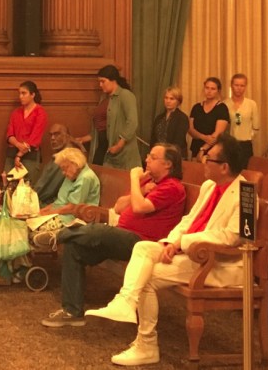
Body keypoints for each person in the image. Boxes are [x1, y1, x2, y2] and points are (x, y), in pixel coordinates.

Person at [85, 134, 247, 366]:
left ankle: (146, 345)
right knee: (142, 248)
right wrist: (169, 242)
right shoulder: (210, 186)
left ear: (224, 167)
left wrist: (183, 243)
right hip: (191, 251)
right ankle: (125, 301)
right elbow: (190, 219)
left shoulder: (244, 194)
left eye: (208, 158)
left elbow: (230, 237)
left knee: (147, 277)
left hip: (215, 262)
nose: (203, 161)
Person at [40, 143, 186, 327]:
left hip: (143, 243)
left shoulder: (172, 187)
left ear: (168, 164)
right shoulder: (148, 183)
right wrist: (140, 190)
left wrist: (134, 178)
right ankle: (72, 312)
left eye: (153, 157)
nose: (146, 160)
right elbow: (119, 206)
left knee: (99, 230)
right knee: (74, 247)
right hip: (122, 237)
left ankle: (57, 236)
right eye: (148, 155)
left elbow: (139, 207)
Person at [0, 147, 100, 286]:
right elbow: (59, 202)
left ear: (74, 163)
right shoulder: (73, 174)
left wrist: (45, 214)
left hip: (71, 220)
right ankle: (15, 269)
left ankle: (16, 270)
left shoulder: (85, 178)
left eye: (64, 168)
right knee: (18, 223)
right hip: (61, 214)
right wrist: (39, 212)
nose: (63, 172)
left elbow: (72, 208)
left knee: (21, 228)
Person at [76, 65, 140, 169]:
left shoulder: (125, 95)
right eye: (99, 82)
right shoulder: (104, 98)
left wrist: (119, 145)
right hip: (102, 146)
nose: (100, 85)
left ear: (113, 80)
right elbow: (102, 126)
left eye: (103, 81)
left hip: (119, 150)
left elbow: (132, 122)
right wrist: (83, 139)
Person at [5, 81, 47, 183]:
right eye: (19, 93)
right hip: (12, 153)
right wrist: (18, 145)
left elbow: (35, 138)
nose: (20, 96)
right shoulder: (16, 113)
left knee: (28, 188)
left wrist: (19, 155)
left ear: (32, 95)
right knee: (8, 185)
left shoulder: (40, 112)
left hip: (30, 155)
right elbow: (10, 134)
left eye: (24, 93)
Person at [34, 123, 84, 206]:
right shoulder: (60, 154)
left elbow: (49, 190)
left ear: (67, 136)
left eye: (57, 134)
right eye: (51, 135)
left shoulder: (66, 157)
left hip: (52, 203)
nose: (52, 138)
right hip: (48, 200)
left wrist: (30, 196)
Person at [223, 74, 259, 169]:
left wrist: (248, 136)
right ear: (231, 86)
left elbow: (256, 126)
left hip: (245, 144)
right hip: (229, 143)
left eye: (242, 85)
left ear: (245, 87)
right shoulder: (224, 104)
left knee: (245, 171)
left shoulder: (251, 104)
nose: (239, 88)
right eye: (236, 85)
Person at [188, 77, 229, 159]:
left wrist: (203, 149)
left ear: (218, 91)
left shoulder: (222, 108)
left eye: (213, 89)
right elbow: (190, 129)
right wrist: (203, 137)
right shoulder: (196, 107)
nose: (209, 91)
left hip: (213, 150)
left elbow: (217, 134)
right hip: (196, 147)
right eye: (207, 88)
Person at [149, 87, 189, 159]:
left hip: (174, 157)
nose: (168, 101)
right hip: (158, 156)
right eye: (166, 98)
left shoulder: (182, 118)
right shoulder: (159, 118)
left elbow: (178, 142)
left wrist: (165, 154)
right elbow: (153, 139)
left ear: (178, 101)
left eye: (171, 99)